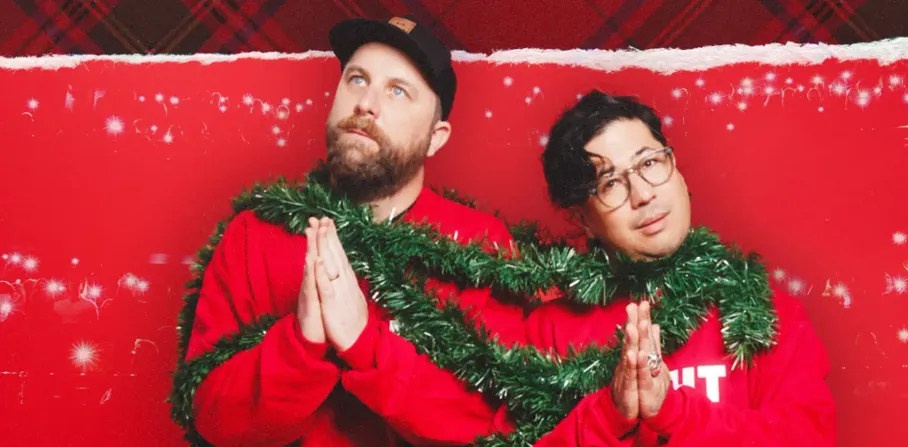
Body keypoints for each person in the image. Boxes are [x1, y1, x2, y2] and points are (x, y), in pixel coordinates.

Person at [183, 16, 527, 446]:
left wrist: (365, 343)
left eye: (398, 91)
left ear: (436, 138)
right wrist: (301, 343)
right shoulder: (254, 233)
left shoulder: (481, 246)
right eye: (357, 79)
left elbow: (499, 422)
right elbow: (213, 416)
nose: (365, 103)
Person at [529, 90, 837, 445]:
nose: (643, 194)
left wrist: (675, 413)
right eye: (610, 183)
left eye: (649, 163)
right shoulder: (549, 333)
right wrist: (611, 413)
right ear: (582, 220)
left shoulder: (765, 312)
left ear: (675, 167)